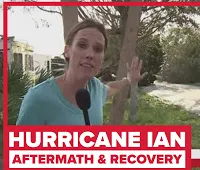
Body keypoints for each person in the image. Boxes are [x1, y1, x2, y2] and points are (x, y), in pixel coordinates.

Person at [16, 18, 145, 126]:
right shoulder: (38, 99)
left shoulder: (96, 88)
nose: (90, 54)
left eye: (98, 49)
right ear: (67, 51)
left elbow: (110, 88)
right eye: (82, 45)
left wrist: (128, 80)